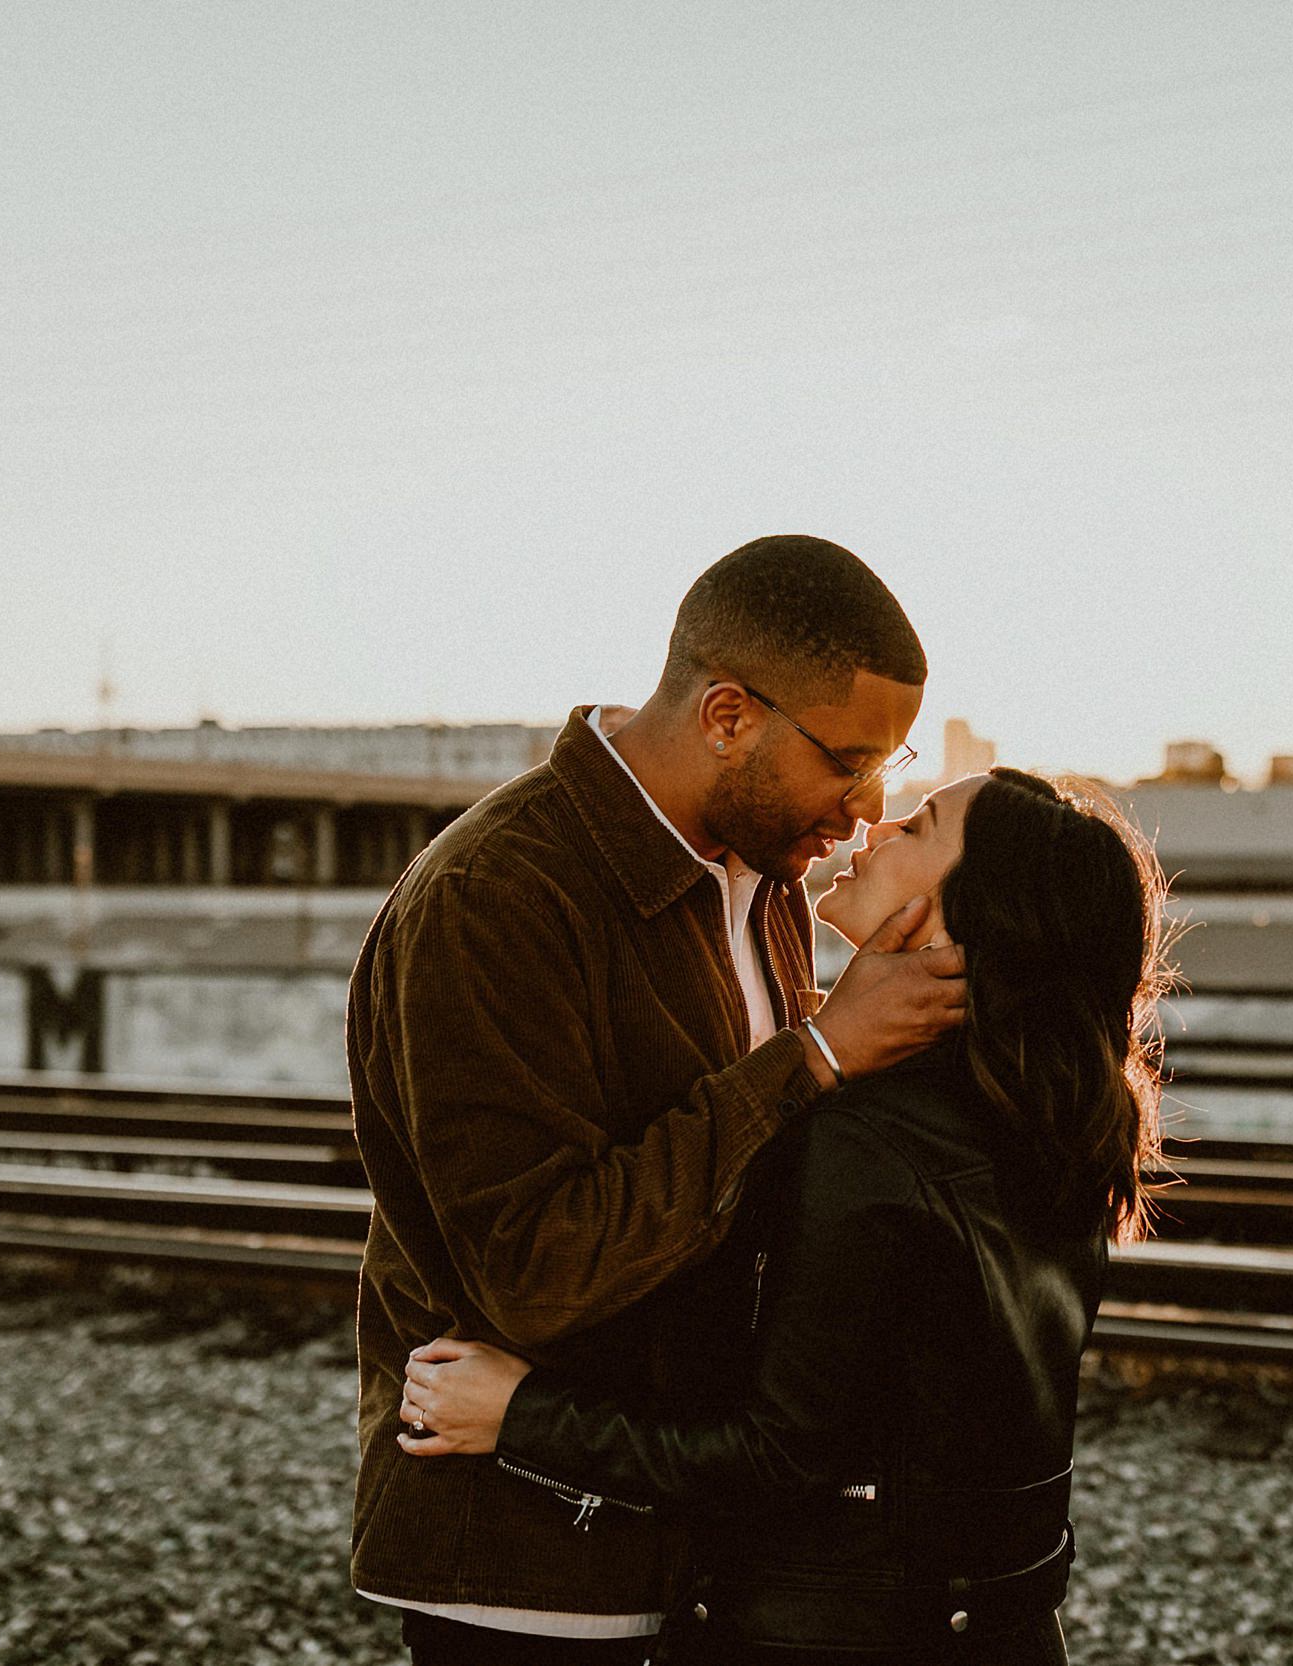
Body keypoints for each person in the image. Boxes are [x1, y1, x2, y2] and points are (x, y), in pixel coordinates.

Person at [349, 535, 970, 1665]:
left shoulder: (763, 879)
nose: (868, 802)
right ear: (727, 715)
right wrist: (817, 1056)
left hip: (699, 1548)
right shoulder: (497, 893)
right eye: (846, 758)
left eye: (894, 758)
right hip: (528, 1563)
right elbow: (534, 1266)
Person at [397, 767, 1173, 1665]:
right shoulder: (1053, 1124)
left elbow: (774, 1460)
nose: (874, 825)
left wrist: (519, 1415)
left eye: (916, 827)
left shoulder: (867, 1141)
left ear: (956, 913)